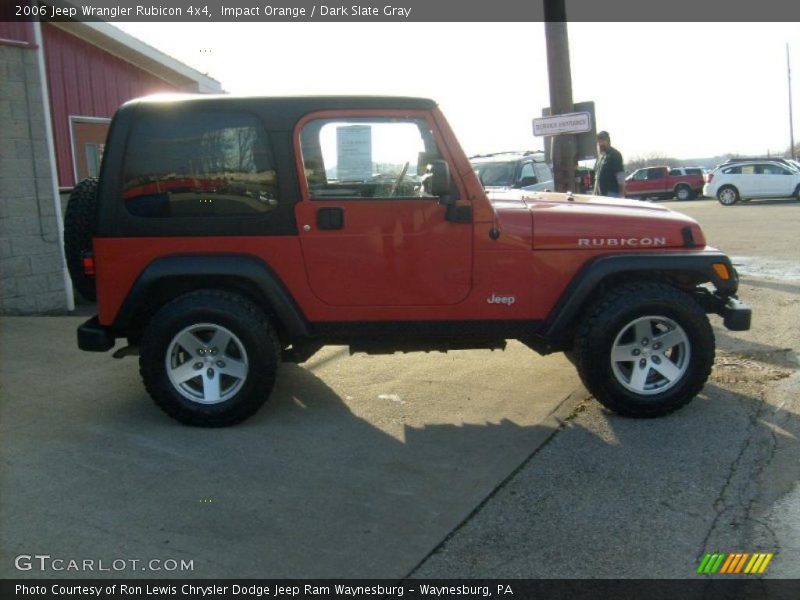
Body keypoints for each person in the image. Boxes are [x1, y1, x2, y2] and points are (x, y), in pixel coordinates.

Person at [593, 131, 625, 198]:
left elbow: (620, 176)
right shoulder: (600, 157)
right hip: (600, 194)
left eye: (603, 141)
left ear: (608, 141)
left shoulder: (615, 154)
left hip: (612, 193)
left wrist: (621, 195)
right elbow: (597, 177)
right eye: (599, 141)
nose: (600, 144)